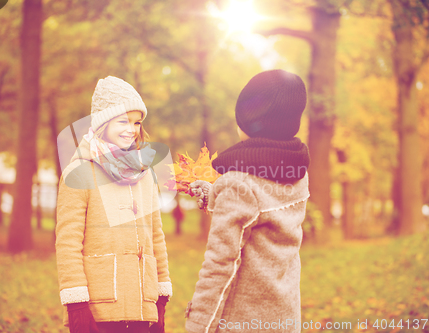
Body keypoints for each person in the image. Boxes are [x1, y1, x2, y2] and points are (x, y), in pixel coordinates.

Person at [186, 69, 311, 333]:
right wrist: (215, 194)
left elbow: (220, 265)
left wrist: (199, 325)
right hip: (283, 317)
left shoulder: (239, 184)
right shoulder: (296, 171)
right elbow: (262, 213)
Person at [56, 76, 172, 333]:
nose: (131, 129)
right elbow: (68, 242)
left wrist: (161, 294)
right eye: (123, 121)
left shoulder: (145, 173)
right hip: (99, 310)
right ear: (103, 123)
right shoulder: (79, 171)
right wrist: (76, 304)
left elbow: (156, 237)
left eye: (137, 122)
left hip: (143, 307)